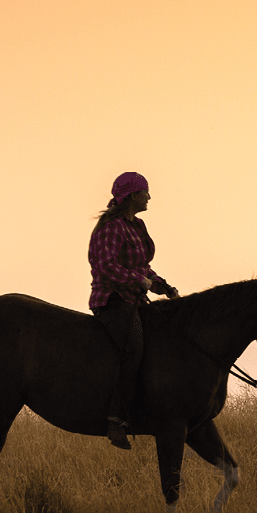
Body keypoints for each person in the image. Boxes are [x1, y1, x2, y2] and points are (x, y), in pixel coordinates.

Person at [90, 171, 177, 449]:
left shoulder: (136, 226)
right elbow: (106, 267)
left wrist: (162, 286)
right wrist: (139, 281)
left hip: (136, 299)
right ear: (132, 196)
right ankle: (116, 419)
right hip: (113, 300)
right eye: (145, 192)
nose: (149, 196)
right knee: (134, 347)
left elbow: (143, 267)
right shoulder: (111, 227)